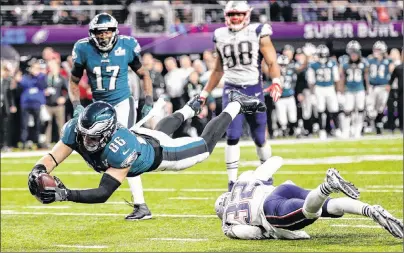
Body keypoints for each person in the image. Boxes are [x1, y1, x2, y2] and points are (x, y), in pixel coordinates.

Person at [27, 91, 266, 208]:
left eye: (94, 137)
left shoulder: (121, 149)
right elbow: (52, 156)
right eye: (85, 135)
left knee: (203, 148)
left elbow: (103, 193)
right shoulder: (75, 130)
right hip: (145, 137)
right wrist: (37, 170)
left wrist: (65, 194)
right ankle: (188, 110)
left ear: (108, 133)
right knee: (159, 132)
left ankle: (235, 104)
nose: (87, 142)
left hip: (162, 155)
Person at [67, 13, 154, 220]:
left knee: (127, 150)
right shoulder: (83, 48)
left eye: (108, 31)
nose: (104, 36)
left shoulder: (127, 45)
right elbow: (73, 81)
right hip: (100, 107)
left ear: (115, 32)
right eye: (100, 32)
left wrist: (148, 101)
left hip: (123, 103)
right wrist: (77, 105)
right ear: (93, 33)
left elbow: (144, 74)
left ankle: (141, 204)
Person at [199, 1, 283, 192]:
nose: (235, 17)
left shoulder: (258, 31)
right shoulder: (220, 35)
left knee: (260, 137)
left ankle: (267, 175)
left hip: (254, 90)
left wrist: (277, 80)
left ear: (247, 14)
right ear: (225, 15)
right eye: (231, 14)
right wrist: (205, 93)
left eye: (238, 13)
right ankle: (231, 182)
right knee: (232, 135)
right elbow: (218, 69)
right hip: (232, 90)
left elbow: (271, 61)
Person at [214, 156, 403, 240]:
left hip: (270, 210)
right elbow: (275, 161)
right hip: (281, 189)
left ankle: (326, 186)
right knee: (333, 208)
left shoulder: (229, 221)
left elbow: (251, 233)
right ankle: (369, 210)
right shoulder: (243, 181)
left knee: (310, 211)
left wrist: (266, 233)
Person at [307, 44, 341, 140]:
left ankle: (337, 129)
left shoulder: (332, 64)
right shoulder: (313, 65)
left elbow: (336, 79)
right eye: (321, 55)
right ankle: (322, 130)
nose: (323, 57)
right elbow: (311, 81)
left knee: (334, 109)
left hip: (330, 87)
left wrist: (338, 92)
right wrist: (312, 94)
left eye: (324, 55)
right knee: (321, 110)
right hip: (319, 88)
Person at [339, 41, 369, 139]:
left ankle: (358, 130)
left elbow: (366, 77)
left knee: (360, 110)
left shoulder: (363, 63)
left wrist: (367, 89)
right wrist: (341, 90)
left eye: (355, 52)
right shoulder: (345, 63)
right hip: (349, 90)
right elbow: (342, 78)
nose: (353, 54)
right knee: (347, 110)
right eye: (351, 52)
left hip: (360, 89)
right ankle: (346, 130)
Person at [366, 41, 394, 135]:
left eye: (378, 50)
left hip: (383, 86)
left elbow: (391, 73)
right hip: (373, 86)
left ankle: (378, 124)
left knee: (380, 108)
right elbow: (366, 73)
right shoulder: (370, 60)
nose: (376, 51)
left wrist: (389, 84)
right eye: (375, 49)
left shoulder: (388, 61)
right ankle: (371, 124)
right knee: (370, 108)